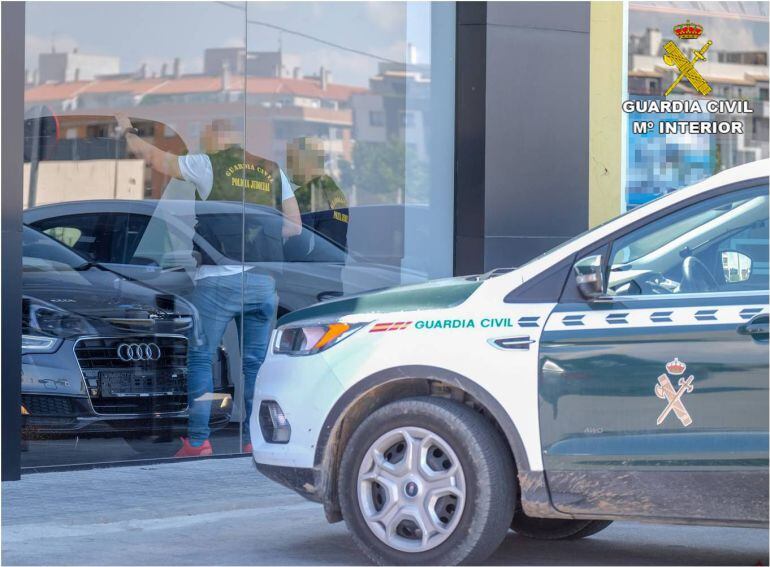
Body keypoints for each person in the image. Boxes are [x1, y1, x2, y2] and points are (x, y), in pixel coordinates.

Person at [116, 113, 302, 457]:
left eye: (205, 135)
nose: (201, 142)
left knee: (201, 358)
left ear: (218, 136)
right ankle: (255, 438)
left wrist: (127, 130)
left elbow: (155, 158)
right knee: (256, 363)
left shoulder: (208, 164)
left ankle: (199, 441)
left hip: (219, 280)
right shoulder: (273, 171)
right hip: (263, 281)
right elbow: (294, 226)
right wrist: (256, 237)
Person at [286, 136, 349, 249]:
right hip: (337, 258)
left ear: (307, 162)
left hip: (316, 259)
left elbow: (299, 243)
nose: (289, 167)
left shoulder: (308, 193)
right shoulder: (336, 192)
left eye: (292, 161)